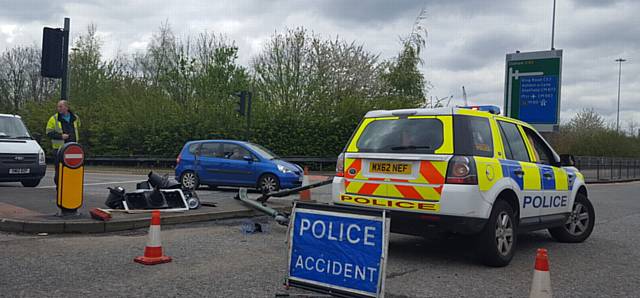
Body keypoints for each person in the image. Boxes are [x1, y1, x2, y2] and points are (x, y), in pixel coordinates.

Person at [46, 100, 80, 185]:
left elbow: (78, 127)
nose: (59, 108)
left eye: (61, 106)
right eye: (58, 106)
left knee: (72, 169)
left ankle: (69, 186)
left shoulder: (75, 117)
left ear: (66, 107)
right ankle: (59, 187)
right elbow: (48, 132)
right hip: (59, 149)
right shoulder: (54, 118)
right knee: (59, 169)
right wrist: (61, 136)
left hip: (73, 148)